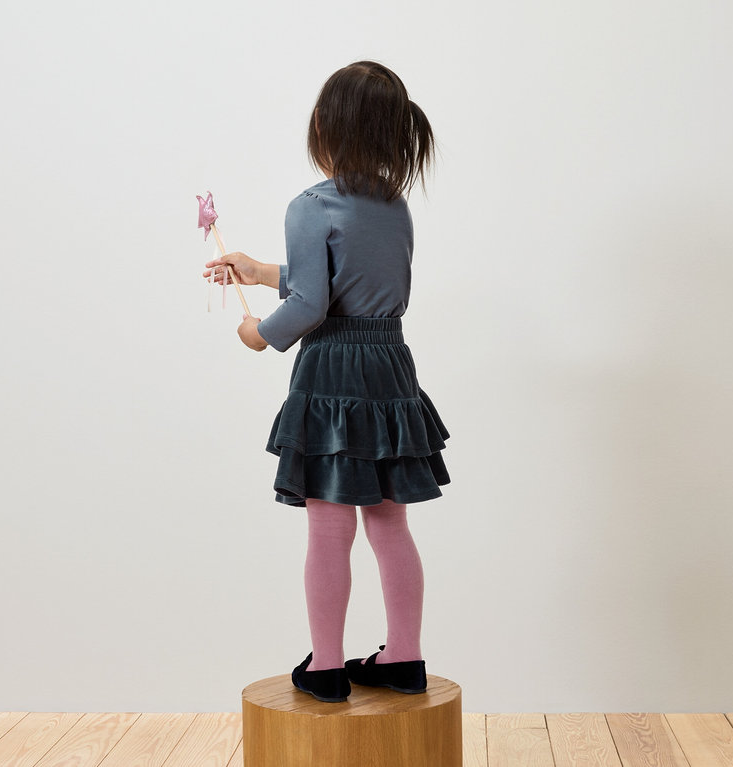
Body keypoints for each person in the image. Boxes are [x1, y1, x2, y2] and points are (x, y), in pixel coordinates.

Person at [204, 61, 449, 703]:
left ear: (327, 126)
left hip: (334, 368)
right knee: (389, 520)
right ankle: (403, 657)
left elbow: (314, 304)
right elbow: (354, 283)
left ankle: (328, 667)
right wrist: (260, 271)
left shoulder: (310, 205)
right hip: (390, 364)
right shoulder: (395, 205)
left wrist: (258, 335)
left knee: (328, 524)